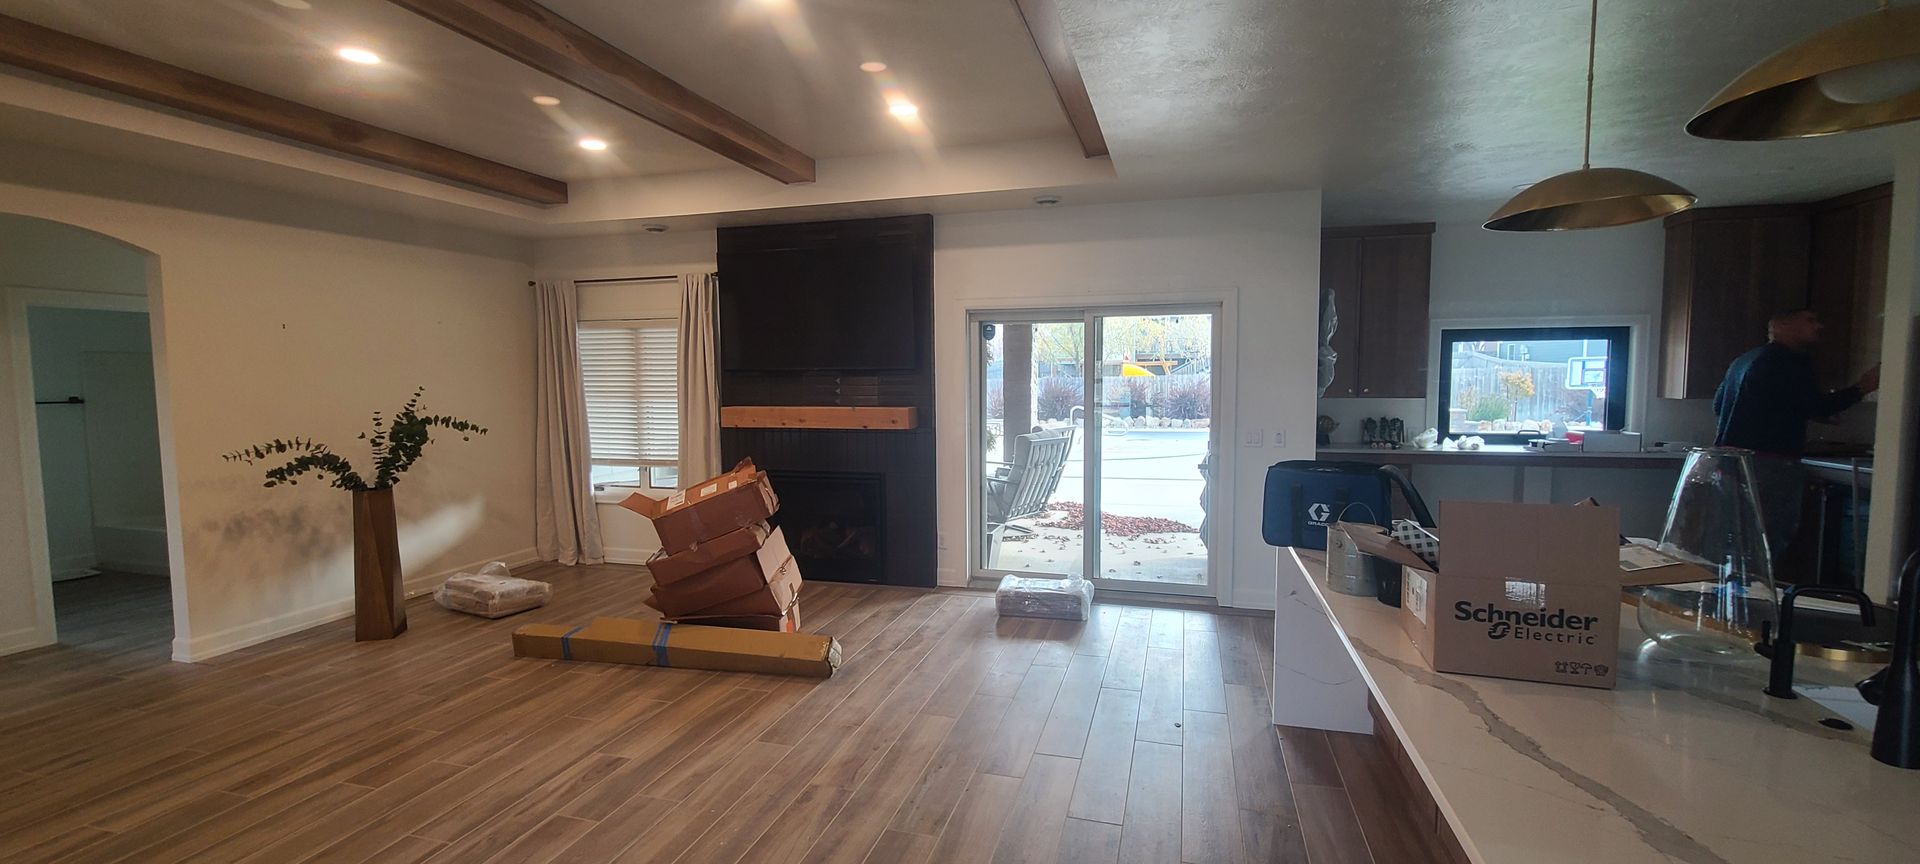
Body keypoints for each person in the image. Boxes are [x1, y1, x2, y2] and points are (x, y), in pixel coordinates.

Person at [1713, 309, 1879, 564]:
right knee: (1767, 540)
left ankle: (1737, 595)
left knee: (1736, 540)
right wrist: (1863, 387)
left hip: (1730, 464)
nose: (1819, 326)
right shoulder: (1789, 361)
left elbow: (1719, 406)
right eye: (1810, 321)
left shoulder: (1743, 361)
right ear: (1780, 325)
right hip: (1769, 466)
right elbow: (1817, 405)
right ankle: (1759, 596)